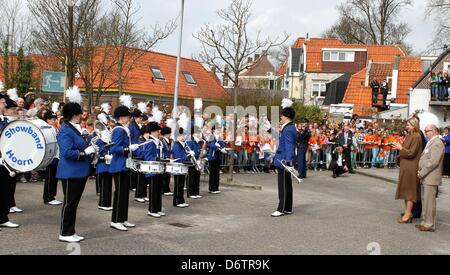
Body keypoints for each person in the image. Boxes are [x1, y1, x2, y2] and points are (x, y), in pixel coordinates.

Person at [56, 100, 94, 243]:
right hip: (70, 171)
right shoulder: (66, 130)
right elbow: (67, 152)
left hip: (78, 171)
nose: (81, 116)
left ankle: (70, 231)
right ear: (74, 115)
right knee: (69, 203)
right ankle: (65, 232)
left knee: (73, 203)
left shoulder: (73, 128)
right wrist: (84, 152)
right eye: (79, 114)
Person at [109, 106, 138, 231]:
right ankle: (116, 220)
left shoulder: (124, 129)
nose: (129, 118)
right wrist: (128, 148)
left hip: (125, 164)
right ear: (121, 117)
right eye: (127, 116)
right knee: (120, 193)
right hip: (119, 165)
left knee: (125, 194)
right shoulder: (118, 130)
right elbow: (113, 148)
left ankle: (123, 218)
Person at [393, 117, 423, 224]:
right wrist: (399, 147)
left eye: (409, 125)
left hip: (411, 167)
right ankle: (408, 212)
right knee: (406, 190)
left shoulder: (417, 136)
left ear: (414, 125)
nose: (407, 126)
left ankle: (407, 214)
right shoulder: (410, 135)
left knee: (409, 191)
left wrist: (401, 148)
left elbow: (411, 153)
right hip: (406, 166)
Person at [416, 124, 445, 232]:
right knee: (425, 201)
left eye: (427, 131)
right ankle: (424, 221)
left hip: (430, 177)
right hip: (426, 176)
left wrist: (422, 172)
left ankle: (429, 224)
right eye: (425, 130)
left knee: (429, 202)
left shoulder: (437, 143)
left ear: (434, 131)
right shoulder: (431, 142)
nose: (425, 132)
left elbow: (433, 162)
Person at [272, 100, 298, 217]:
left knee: (283, 185)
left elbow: (289, 146)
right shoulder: (289, 127)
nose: (280, 118)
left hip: (283, 160)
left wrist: (288, 162)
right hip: (284, 159)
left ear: (286, 116)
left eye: (282, 115)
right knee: (287, 184)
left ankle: (281, 208)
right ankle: (287, 207)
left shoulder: (288, 129)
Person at [0, 94, 20, 230]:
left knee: (5, 189)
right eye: (2, 102)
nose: (4, 104)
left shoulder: (3, 119)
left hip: (5, 159)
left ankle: (2, 217)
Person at [142, 122, 166, 218]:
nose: (159, 132)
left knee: (158, 190)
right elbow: (147, 157)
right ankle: (152, 210)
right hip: (152, 169)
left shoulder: (159, 142)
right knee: (153, 190)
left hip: (159, 168)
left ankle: (158, 209)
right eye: (157, 130)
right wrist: (158, 158)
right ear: (153, 131)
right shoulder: (149, 142)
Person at [42, 111, 62, 206]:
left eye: (55, 119)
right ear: (47, 120)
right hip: (51, 156)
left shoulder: (54, 128)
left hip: (56, 155)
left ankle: (52, 196)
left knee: (54, 177)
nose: (54, 121)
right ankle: (48, 197)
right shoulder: (46, 129)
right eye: (53, 119)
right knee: (50, 177)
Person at [172, 128, 191, 208]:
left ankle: (181, 200)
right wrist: (188, 155)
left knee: (181, 184)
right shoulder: (176, 145)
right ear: (178, 136)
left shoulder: (183, 144)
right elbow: (178, 156)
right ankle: (177, 201)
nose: (184, 136)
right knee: (178, 184)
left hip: (182, 167)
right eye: (182, 135)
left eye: (184, 135)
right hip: (178, 167)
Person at [207, 126, 227, 194]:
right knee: (212, 173)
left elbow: (223, 145)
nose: (218, 130)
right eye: (217, 129)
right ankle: (212, 188)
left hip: (218, 156)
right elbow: (211, 145)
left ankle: (216, 187)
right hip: (212, 157)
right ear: (213, 130)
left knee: (217, 173)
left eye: (219, 129)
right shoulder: (211, 136)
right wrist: (218, 146)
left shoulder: (220, 137)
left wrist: (223, 148)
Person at [186, 126, 204, 199]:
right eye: (197, 132)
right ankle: (190, 193)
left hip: (198, 159)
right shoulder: (190, 141)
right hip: (192, 160)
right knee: (191, 176)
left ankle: (196, 192)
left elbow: (200, 150)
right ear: (193, 133)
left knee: (197, 176)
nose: (199, 134)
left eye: (199, 132)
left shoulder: (199, 141)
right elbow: (189, 151)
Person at [160, 126, 173, 196]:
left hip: (168, 158)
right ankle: (164, 189)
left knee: (167, 175)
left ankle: (166, 189)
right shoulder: (162, 140)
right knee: (164, 175)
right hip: (165, 158)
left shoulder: (169, 140)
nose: (170, 134)